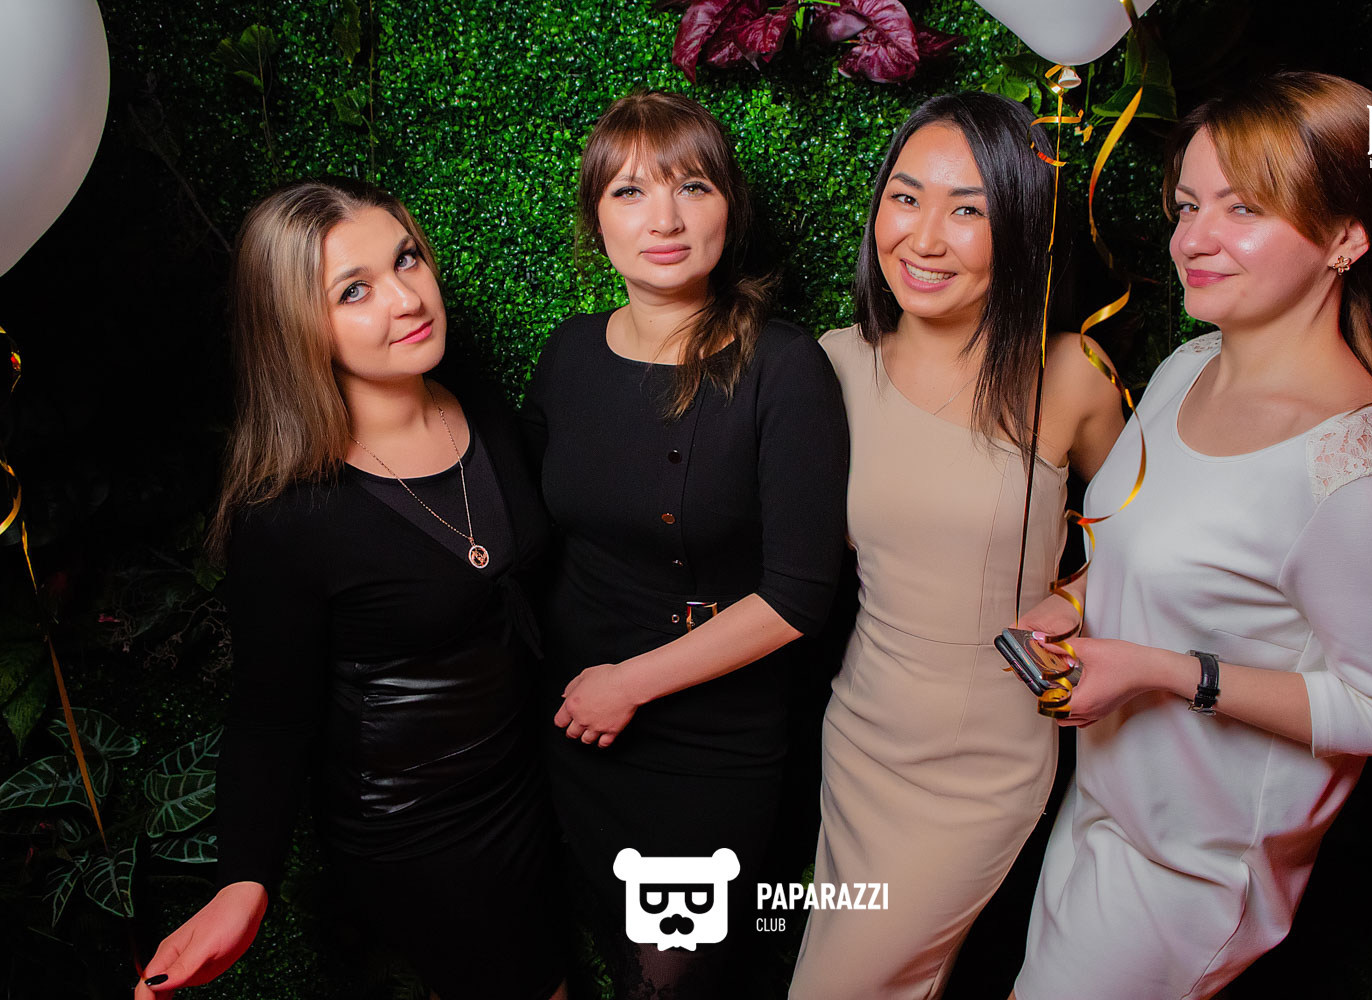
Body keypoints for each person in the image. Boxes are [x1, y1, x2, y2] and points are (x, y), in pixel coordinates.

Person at [1011, 72, 1372, 1000]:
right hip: (1104, 804)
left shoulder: (1351, 475)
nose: (1193, 239)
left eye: (1243, 207)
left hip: (1191, 872)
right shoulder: (1191, 364)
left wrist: (1162, 671)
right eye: (1188, 205)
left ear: (1347, 236)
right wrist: (1071, 604)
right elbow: (1137, 542)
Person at [135, 179, 565, 1000]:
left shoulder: (479, 404)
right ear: (295, 326)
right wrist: (243, 881)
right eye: (354, 291)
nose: (407, 299)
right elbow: (269, 716)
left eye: (406, 260)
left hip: (530, 774)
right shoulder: (287, 515)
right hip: (419, 827)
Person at [788, 92, 1125, 999]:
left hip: (984, 763)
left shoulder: (1072, 374)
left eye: (967, 210)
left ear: (1020, 228)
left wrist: (1077, 599)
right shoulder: (833, 364)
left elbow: (1150, 538)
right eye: (905, 198)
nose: (924, 238)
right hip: (862, 737)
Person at [520, 91, 849, 999]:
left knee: (671, 978)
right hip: (575, 724)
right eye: (629, 192)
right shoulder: (569, 354)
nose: (663, 219)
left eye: (691, 186)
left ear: (728, 207)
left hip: (706, 742)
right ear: (596, 218)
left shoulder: (785, 367)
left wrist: (629, 685)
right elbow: (534, 531)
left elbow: (797, 598)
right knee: (611, 947)